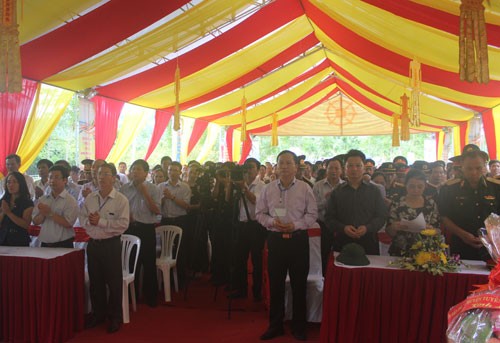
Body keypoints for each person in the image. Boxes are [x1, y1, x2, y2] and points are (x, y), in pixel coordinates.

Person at [256, 150, 319, 341]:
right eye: (280, 163)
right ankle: (275, 325)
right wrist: (272, 222)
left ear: (296, 167)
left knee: (299, 286)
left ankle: (299, 327)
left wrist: (295, 225)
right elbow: (259, 214)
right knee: (276, 285)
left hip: (298, 240)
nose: (284, 167)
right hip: (276, 240)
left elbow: (312, 214)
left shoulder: (304, 188)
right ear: (275, 166)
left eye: (288, 163)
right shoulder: (268, 189)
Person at [80, 163, 130, 333]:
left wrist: (100, 222)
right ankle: (98, 314)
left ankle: (115, 317)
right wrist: (91, 224)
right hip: (93, 245)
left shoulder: (121, 200)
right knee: (96, 283)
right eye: (99, 174)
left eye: (106, 174)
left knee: (114, 283)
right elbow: (82, 218)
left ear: (114, 177)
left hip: (111, 245)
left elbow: (123, 225)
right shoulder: (90, 198)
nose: (101, 177)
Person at [439, 145, 500, 260]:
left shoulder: (496, 188)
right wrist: (463, 235)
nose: (474, 172)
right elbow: (444, 216)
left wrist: (490, 236)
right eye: (469, 168)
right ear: (462, 167)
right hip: (461, 244)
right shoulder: (449, 188)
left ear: (485, 167)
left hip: (492, 246)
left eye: (478, 168)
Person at [325, 149, 387, 255]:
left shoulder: (374, 190)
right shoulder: (337, 191)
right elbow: (329, 218)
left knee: (368, 271)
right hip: (343, 241)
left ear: (364, 168)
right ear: (345, 169)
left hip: (368, 241)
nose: (354, 169)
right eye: (350, 166)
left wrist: (367, 228)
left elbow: (381, 216)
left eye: (358, 166)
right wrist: (343, 228)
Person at [121, 159, 161, 306]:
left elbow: (157, 211)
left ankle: (151, 297)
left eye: (138, 169)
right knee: (132, 264)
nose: (135, 172)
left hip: (146, 229)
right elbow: (120, 208)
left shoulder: (154, 189)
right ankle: (134, 297)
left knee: (149, 263)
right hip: (130, 228)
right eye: (133, 169)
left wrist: (145, 193)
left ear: (146, 173)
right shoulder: (124, 188)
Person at [230, 158, 267, 301]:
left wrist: (244, 188)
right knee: (239, 258)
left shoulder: (262, 186)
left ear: (258, 170)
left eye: (251, 167)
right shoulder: (239, 185)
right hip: (241, 224)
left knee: (257, 261)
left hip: (256, 226)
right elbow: (232, 202)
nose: (248, 170)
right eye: (246, 167)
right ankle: (241, 289)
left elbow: (255, 202)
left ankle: (257, 291)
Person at [385, 169, 440, 256]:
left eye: (420, 186)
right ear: (405, 185)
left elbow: (438, 229)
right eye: (411, 186)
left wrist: (430, 230)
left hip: (425, 251)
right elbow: (389, 231)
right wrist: (394, 227)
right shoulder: (397, 202)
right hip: (400, 250)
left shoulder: (430, 203)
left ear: (425, 186)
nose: (416, 190)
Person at [157, 161, 191, 288]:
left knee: (180, 251)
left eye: (175, 170)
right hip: (165, 221)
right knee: (165, 250)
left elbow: (186, 206)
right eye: (170, 170)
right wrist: (162, 199)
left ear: (180, 172)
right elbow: (156, 206)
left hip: (180, 221)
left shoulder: (185, 187)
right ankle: (167, 280)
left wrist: (171, 197)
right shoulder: (160, 186)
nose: (172, 172)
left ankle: (181, 280)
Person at [32, 165, 78, 248]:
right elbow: (35, 221)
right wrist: (43, 213)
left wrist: (50, 213)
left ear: (65, 180)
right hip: (45, 243)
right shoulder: (43, 199)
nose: (52, 180)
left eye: (56, 177)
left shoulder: (70, 201)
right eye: (50, 177)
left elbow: (68, 223)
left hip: (63, 243)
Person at [313, 157, 345, 274]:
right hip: (323, 225)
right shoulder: (318, 186)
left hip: (341, 226)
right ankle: (323, 278)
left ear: (342, 170)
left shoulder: (345, 186)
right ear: (326, 170)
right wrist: (328, 200)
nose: (333, 171)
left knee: (340, 253)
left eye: (337, 168)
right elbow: (313, 207)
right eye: (331, 168)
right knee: (323, 253)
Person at [0, 172, 34, 246]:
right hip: (2, 239)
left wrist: (9, 213)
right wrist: (3, 212)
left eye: (14, 182)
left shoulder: (27, 202)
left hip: (19, 240)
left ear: (21, 184)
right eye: (8, 182)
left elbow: (26, 225)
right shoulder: (3, 200)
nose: (11, 185)